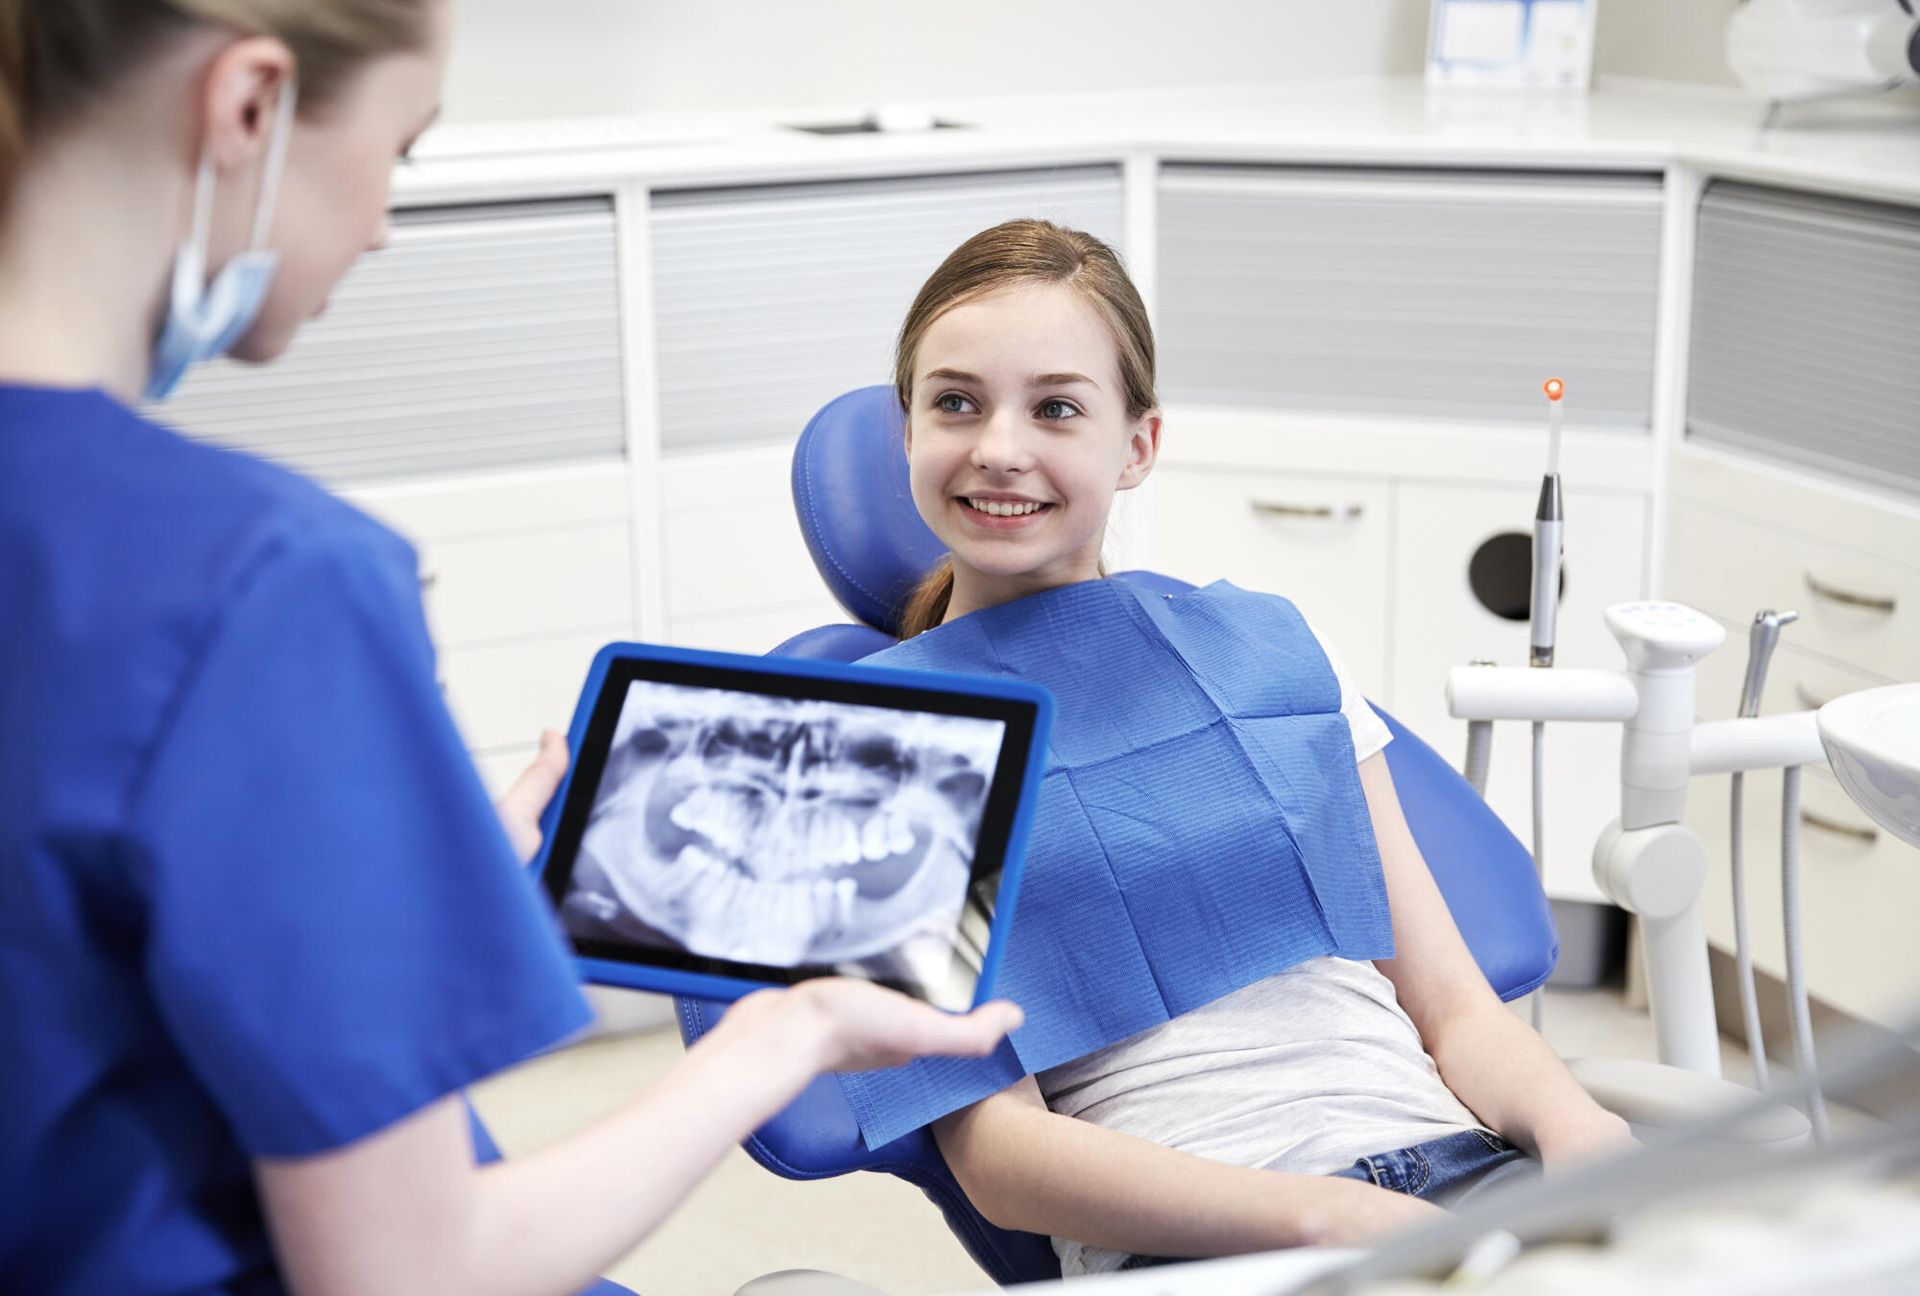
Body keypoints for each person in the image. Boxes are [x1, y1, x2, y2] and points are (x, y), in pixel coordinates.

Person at [0, 3, 1019, 1293]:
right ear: (247, 106)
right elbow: (407, 1273)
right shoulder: (263, 580)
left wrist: (371, 893)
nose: (377, 221)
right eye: (401, 149)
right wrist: (787, 1034)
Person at [876, 219, 1639, 1275]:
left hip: (1461, 1183)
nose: (1000, 446)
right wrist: (1326, 1215)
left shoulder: (1275, 650)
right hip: (1212, 1249)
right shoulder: (872, 751)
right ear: (904, 428)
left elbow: (1454, 1007)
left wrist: (1580, 1136)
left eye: (1056, 407)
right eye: (955, 401)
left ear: (1137, 444)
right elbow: (998, 1155)